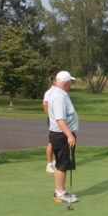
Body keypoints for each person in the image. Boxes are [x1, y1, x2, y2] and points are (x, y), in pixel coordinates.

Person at [48, 71, 79, 203]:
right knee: (62, 164)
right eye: (70, 82)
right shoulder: (59, 97)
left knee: (62, 163)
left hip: (61, 134)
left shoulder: (60, 93)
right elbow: (60, 119)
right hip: (62, 135)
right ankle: (60, 192)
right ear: (65, 83)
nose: (71, 84)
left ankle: (60, 191)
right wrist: (69, 136)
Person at [43, 73, 57, 173]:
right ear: (53, 81)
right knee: (52, 141)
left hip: (61, 120)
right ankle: (49, 164)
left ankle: (56, 161)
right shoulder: (50, 92)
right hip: (53, 120)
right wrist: (51, 117)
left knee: (59, 142)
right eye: (57, 80)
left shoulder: (61, 91)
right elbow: (45, 104)